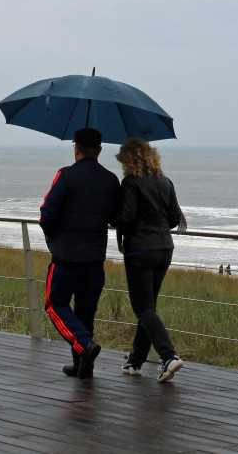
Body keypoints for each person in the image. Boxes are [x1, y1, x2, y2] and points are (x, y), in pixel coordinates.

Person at [39, 128, 120, 379]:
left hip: (66, 257)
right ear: (100, 149)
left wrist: (51, 236)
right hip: (95, 258)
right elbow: (116, 218)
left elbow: (47, 213)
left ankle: (84, 344)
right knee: (85, 312)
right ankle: (83, 367)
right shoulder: (111, 180)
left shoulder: (65, 176)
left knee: (54, 303)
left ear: (76, 148)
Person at [114, 138, 186, 383]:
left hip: (139, 252)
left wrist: (112, 216)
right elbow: (175, 217)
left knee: (143, 308)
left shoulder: (131, 183)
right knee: (149, 308)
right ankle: (135, 361)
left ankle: (168, 355)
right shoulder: (166, 182)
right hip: (164, 248)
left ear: (129, 160)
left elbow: (126, 219)